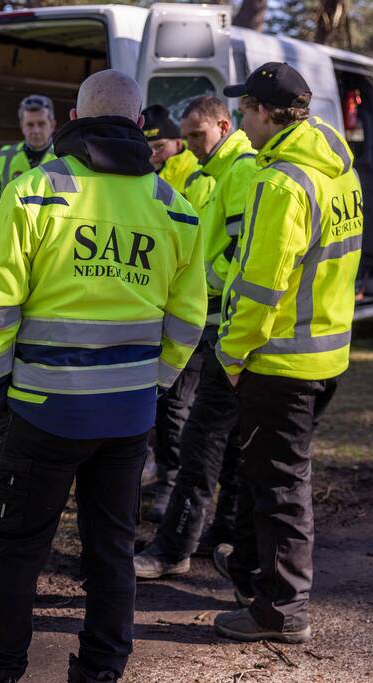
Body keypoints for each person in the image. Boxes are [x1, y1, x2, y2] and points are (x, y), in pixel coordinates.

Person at [0, 69, 206, 683]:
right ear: (140, 127)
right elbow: (189, 317)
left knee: (18, 553)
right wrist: (155, 384)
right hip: (127, 416)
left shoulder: (33, 192)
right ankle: (101, 672)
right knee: (111, 553)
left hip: (42, 408)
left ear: (73, 118)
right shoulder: (175, 210)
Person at [212, 62, 363, 644]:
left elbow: (258, 286)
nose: (240, 126)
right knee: (268, 472)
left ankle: (282, 609)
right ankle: (251, 569)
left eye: (244, 112)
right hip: (326, 354)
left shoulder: (280, 184)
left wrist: (232, 355)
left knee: (280, 486)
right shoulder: (336, 170)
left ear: (265, 113)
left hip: (278, 360)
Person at [134, 95, 258, 578]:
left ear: (223, 126)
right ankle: (220, 536)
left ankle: (173, 549)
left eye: (196, 136)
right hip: (215, 324)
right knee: (221, 443)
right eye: (184, 137)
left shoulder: (240, 173)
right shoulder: (216, 174)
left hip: (228, 328)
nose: (190, 146)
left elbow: (245, 259)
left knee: (202, 443)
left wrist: (200, 278)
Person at [136, 104, 211, 521]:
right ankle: (160, 473)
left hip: (184, 299)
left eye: (159, 146)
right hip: (158, 299)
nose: (153, 153)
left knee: (174, 403)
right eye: (148, 147)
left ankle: (170, 481)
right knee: (161, 401)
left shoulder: (190, 176)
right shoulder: (155, 174)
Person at [0, 94, 57, 223]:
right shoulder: (4, 156)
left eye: (41, 124)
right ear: (22, 126)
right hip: (10, 234)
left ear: (52, 125)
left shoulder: (64, 157)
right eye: (30, 124)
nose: (36, 130)